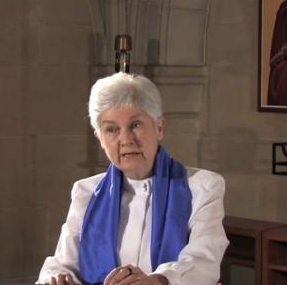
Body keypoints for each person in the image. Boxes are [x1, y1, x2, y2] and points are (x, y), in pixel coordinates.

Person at [36, 72, 229, 285]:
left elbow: (204, 261)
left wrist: (159, 281)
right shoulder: (86, 191)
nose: (125, 139)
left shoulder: (203, 187)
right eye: (111, 129)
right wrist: (55, 280)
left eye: (135, 125)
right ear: (99, 138)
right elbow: (62, 264)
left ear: (160, 127)